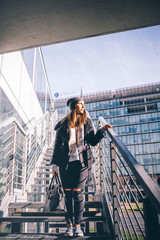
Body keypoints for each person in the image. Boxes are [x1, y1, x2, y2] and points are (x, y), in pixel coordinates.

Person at [50, 97, 112, 237]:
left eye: (83, 105)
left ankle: (77, 226)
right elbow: (56, 146)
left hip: (82, 163)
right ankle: (69, 226)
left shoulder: (87, 122)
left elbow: (93, 141)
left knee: (77, 193)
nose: (83, 107)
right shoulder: (63, 124)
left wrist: (102, 131)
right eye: (80, 105)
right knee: (67, 195)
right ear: (73, 107)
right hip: (65, 164)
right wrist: (54, 164)